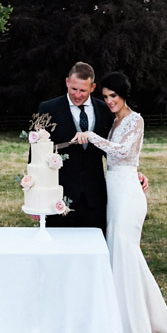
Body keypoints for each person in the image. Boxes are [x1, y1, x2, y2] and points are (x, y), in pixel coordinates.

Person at [72, 71, 167, 333]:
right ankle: (122, 313)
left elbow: (123, 153)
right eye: (106, 96)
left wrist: (90, 137)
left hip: (129, 195)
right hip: (115, 191)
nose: (109, 101)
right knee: (118, 251)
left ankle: (135, 320)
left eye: (114, 96)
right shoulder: (114, 122)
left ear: (124, 95)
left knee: (125, 248)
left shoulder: (136, 119)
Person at [37, 62, 111, 231]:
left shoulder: (105, 110)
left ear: (92, 87)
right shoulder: (47, 109)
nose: (77, 95)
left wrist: (133, 171)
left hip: (95, 197)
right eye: (73, 89)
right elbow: (37, 155)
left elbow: (112, 150)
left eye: (83, 91)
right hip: (59, 197)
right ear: (67, 82)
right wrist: (38, 196)